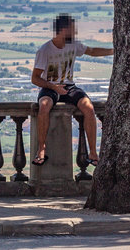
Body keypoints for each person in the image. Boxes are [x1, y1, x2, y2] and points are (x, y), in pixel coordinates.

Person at [31, 14, 113, 167]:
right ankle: (41, 149)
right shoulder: (45, 50)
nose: (75, 32)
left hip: (69, 87)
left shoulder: (74, 45)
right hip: (50, 87)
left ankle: (93, 153)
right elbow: (35, 78)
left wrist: (114, 51)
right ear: (63, 30)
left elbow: (92, 51)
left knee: (89, 108)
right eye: (72, 29)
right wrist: (54, 87)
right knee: (44, 106)